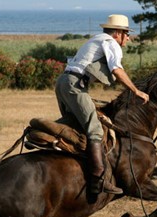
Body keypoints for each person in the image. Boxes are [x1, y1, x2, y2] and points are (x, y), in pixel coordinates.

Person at [55, 14, 149, 196]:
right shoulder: (111, 43)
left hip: (63, 82)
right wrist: (136, 91)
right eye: (126, 33)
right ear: (118, 33)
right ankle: (99, 177)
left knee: (73, 124)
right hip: (74, 84)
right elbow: (117, 69)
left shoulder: (97, 39)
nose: (128, 38)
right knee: (95, 130)